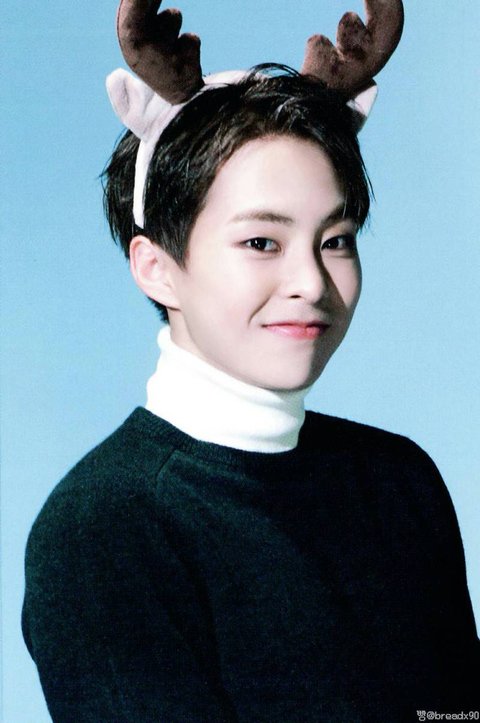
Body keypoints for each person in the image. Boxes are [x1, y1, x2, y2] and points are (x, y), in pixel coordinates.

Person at [22, 0, 479, 720]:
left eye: (335, 240)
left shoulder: (399, 481)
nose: (311, 282)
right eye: (262, 242)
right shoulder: (104, 528)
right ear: (156, 267)